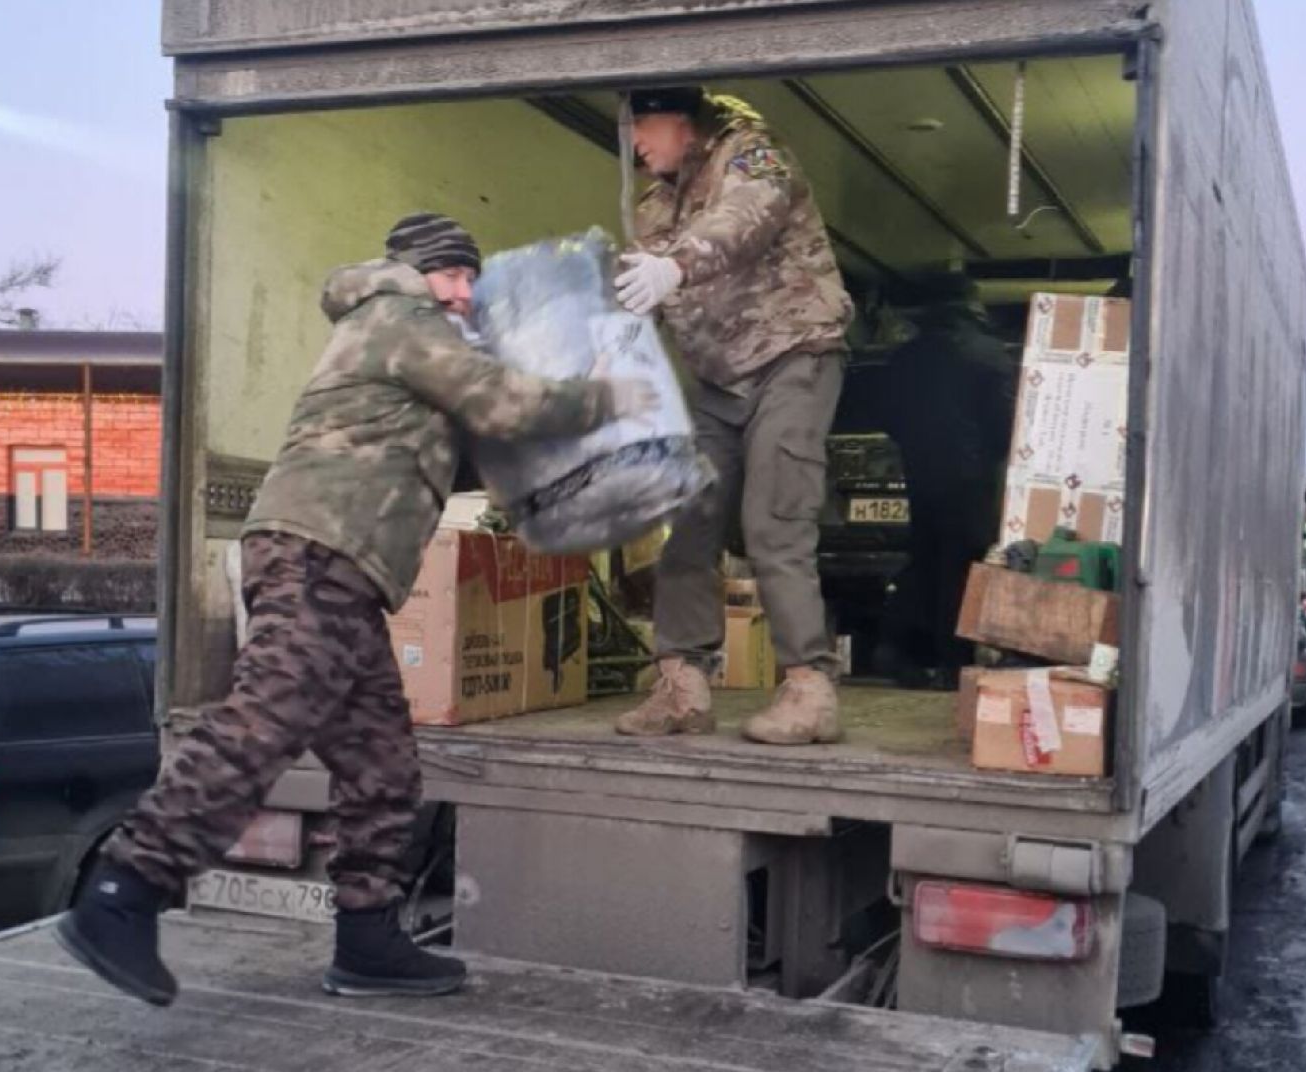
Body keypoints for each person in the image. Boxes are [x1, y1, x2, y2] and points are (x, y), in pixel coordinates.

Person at [57, 212, 654, 1006]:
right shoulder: (397, 317)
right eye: (455, 274)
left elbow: (484, 437)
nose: (466, 292)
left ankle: (367, 940)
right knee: (264, 723)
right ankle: (121, 892)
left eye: (473, 279)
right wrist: (609, 395)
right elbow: (505, 403)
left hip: (345, 573)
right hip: (315, 553)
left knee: (381, 768)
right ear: (417, 270)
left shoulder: (414, 340)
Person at [612, 87, 855, 746]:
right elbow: (641, 287)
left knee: (773, 519)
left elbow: (749, 215)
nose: (634, 141)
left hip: (792, 354)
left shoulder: (750, 152)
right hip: (718, 380)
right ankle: (681, 688)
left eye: (642, 124)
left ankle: (809, 688)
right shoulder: (656, 204)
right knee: (686, 524)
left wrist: (674, 266)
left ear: (681, 121)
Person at [876, 274, 1019, 689]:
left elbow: (888, 416)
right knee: (962, 568)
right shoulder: (989, 353)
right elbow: (1004, 424)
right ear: (974, 308)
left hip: (921, 473)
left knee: (923, 560)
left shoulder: (905, 356)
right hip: (971, 478)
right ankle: (954, 665)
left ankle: (901, 652)